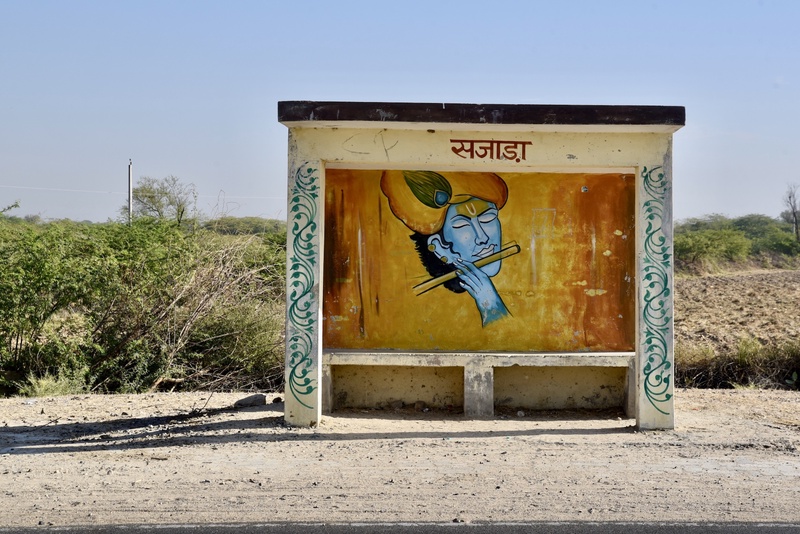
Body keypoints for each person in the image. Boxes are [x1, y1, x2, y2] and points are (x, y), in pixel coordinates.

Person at [381, 170, 511, 326]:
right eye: (462, 225)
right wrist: (489, 304)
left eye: (488, 218)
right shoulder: (427, 312)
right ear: (441, 248)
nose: (482, 237)